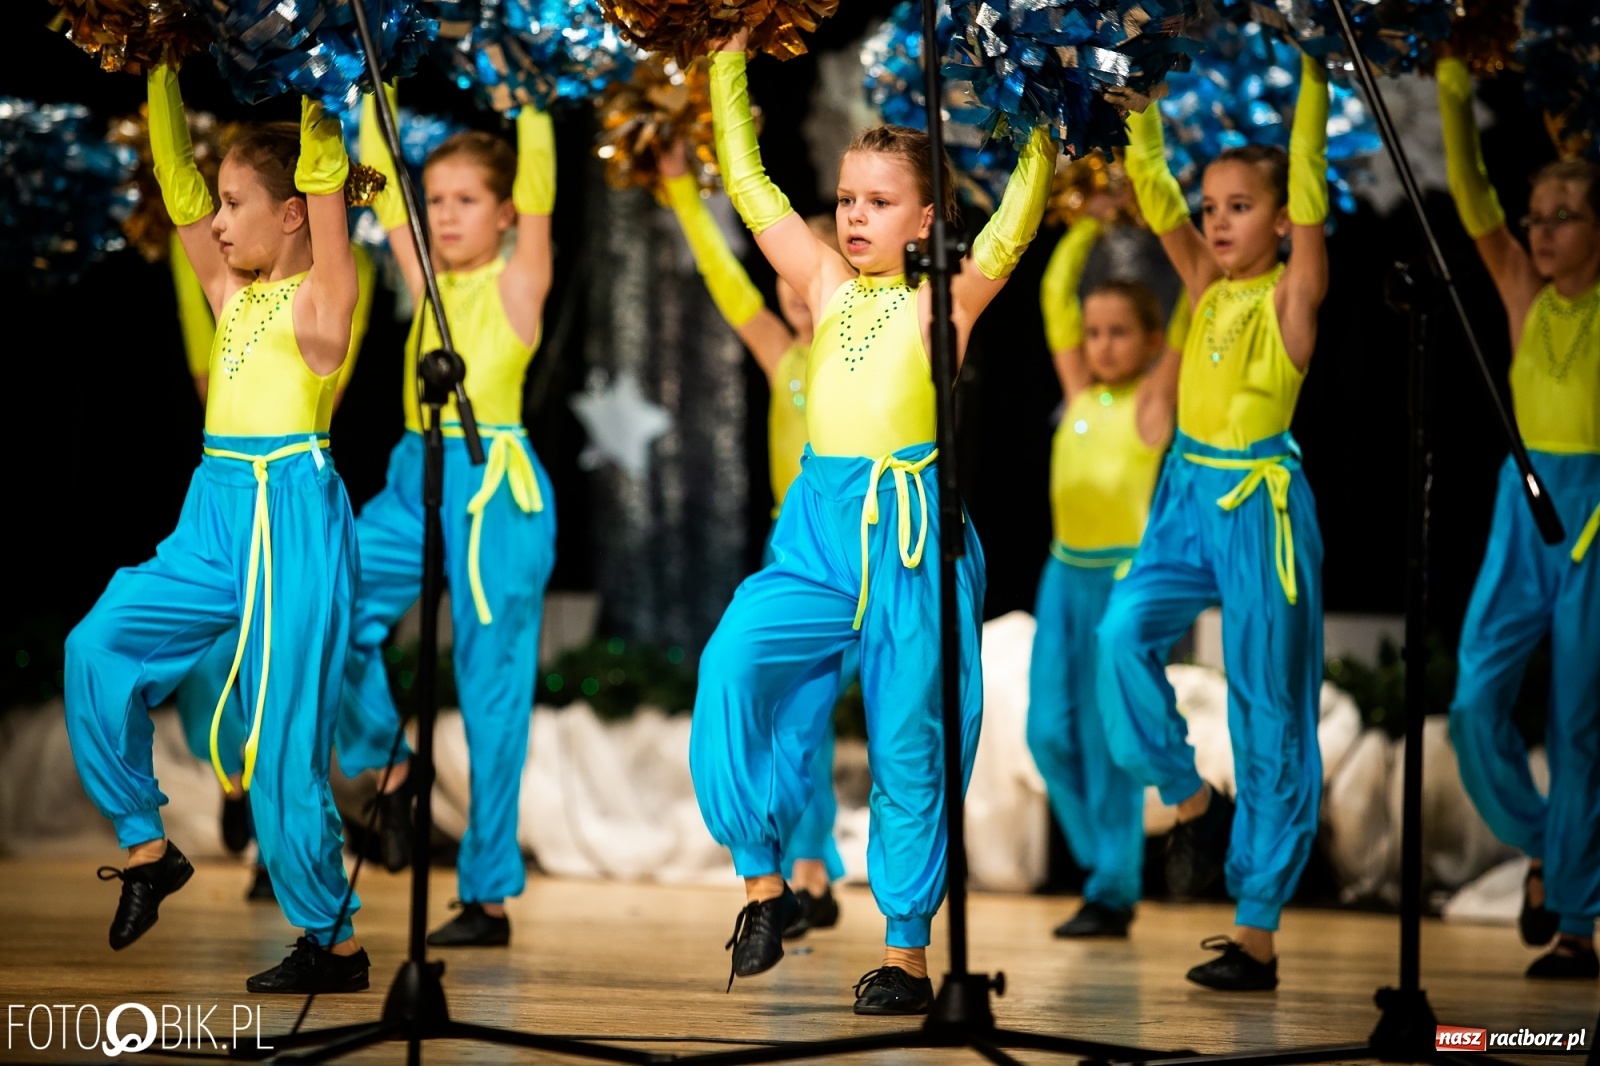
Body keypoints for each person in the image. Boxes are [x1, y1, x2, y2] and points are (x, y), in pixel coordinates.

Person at [688, 26, 1056, 1014]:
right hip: (817, 526)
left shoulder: (951, 296)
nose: (853, 217)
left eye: (876, 203)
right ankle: (764, 884)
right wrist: (727, 64)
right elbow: (752, 187)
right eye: (847, 200)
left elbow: (1017, 225)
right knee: (730, 663)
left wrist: (1048, 113)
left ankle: (906, 954)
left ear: (925, 216)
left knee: (906, 744)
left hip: (909, 533)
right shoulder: (823, 286)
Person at [65, 65, 368, 993]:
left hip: (291, 513)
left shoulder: (321, 299)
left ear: (292, 216)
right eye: (220, 206)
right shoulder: (232, 296)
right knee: (96, 645)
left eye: (239, 205)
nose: (218, 222)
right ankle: (150, 849)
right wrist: (156, 64)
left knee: (283, 749)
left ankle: (334, 944)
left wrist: (325, 68)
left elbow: (323, 177)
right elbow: (178, 185)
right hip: (214, 508)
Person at [1099, 52, 1332, 991]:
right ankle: (1194, 799)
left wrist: (1318, 64)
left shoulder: (1289, 298)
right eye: (1213, 205)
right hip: (1186, 499)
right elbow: (1154, 194)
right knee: (1120, 635)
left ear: (1278, 220)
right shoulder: (1203, 286)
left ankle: (1257, 930)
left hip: (1260, 508)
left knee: (1271, 712)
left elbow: (1310, 190)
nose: (1216, 220)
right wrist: (1137, 94)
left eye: (1240, 205)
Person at [336, 87, 559, 947]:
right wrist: (371, 89)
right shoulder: (424, 275)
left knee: (492, 689)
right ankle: (389, 765)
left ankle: (487, 896)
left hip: (496, 486)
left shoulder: (519, 279)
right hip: (411, 473)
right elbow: (384, 181)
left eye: (467, 200)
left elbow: (539, 187)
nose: (447, 215)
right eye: (439, 201)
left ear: (504, 214)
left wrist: (536, 95)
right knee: (329, 606)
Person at [1437, 54, 1600, 980]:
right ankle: (1551, 842)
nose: (1538, 232)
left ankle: (1576, 918)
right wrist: (1454, 78)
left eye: (1562, 217)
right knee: (1474, 701)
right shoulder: (1523, 294)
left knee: (1577, 719)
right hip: (1524, 499)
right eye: (1535, 218)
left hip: (1596, 513)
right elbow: (1472, 197)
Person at [658, 138, 845, 937]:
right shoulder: (785, 356)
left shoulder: (865, 346)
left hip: (862, 545)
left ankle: (813, 866)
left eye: (812, 274)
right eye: (788, 277)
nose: (794, 292)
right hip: (792, 550)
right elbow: (727, 286)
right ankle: (803, 872)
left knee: (811, 720)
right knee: (791, 717)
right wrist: (679, 198)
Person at [169, 230, 376, 904]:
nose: (224, 225)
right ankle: (239, 787)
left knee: (288, 681)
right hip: (226, 498)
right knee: (209, 664)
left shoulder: (340, 272)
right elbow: (211, 370)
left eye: (238, 204)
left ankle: (289, 846)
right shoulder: (228, 282)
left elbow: (323, 381)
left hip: (291, 494)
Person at [1029, 198, 1186, 939]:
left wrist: (1163, 227)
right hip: (1063, 577)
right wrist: (1087, 225)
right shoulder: (1079, 396)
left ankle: (1113, 888)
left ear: (1152, 341)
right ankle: (1102, 868)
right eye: (1096, 334)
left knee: (1107, 736)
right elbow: (1055, 302)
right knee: (1047, 733)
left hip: (1121, 579)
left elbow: (1190, 314)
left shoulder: (1152, 406)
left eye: (1120, 332)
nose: (1102, 344)